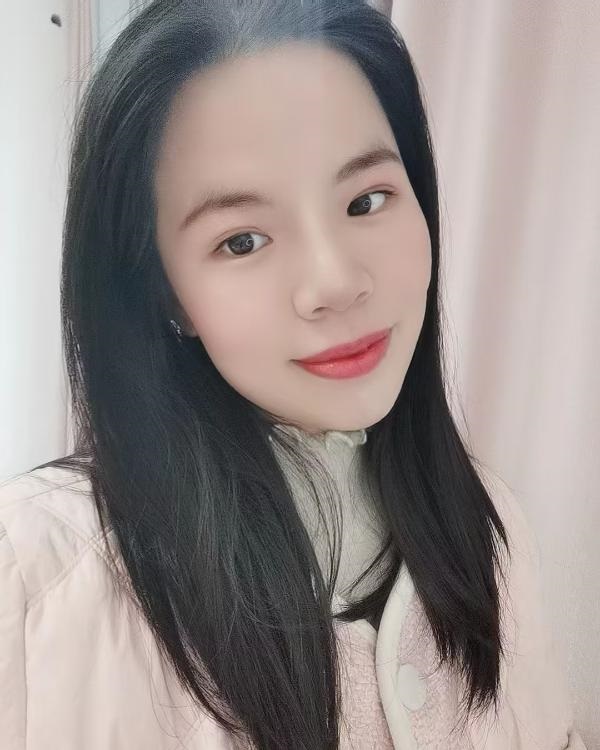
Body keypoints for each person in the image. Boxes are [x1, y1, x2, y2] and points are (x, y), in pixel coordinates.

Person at [0, 1, 586, 748]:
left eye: (366, 200)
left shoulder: (489, 525)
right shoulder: (34, 575)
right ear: (166, 294)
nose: (335, 283)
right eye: (242, 240)